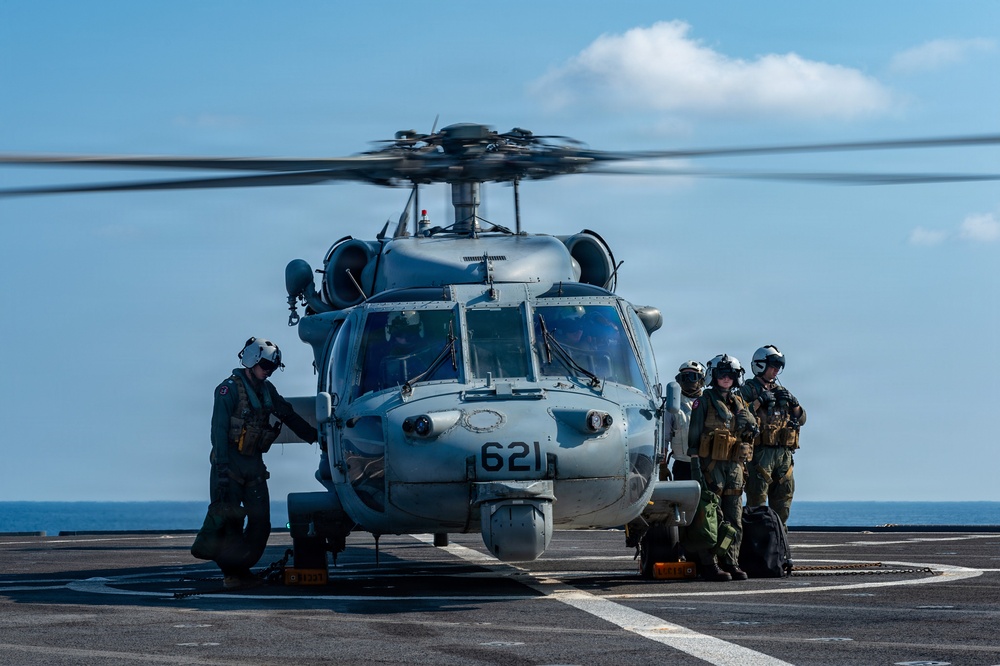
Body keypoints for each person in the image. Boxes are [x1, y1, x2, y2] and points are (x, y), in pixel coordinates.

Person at [197, 336, 318, 589]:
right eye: (266, 366)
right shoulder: (227, 389)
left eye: (272, 368)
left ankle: (242, 569)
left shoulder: (266, 391)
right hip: (228, 466)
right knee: (229, 524)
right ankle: (232, 574)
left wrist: (316, 437)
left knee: (261, 523)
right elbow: (218, 432)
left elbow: (287, 414)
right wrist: (221, 471)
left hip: (253, 465)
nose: (268, 372)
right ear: (252, 360)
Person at [687, 354, 756, 581]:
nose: (726, 379)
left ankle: (731, 561)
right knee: (710, 516)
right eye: (721, 375)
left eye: (730, 375)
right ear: (713, 376)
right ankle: (709, 563)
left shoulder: (740, 403)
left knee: (734, 516)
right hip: (711, 466)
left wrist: (747, 420)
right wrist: (696, 468)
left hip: (734, 466)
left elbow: (752, 430)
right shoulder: (704, 400)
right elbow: (694, 437)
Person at [739, 345, 806, 527]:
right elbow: (738, 415)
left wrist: (794, 403)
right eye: (773, 365)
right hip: (760, 454)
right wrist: (760, 401)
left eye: (778, 366)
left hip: (784, 454)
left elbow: (802, 418)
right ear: (760, 365)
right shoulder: (748, 390)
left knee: (783, 501)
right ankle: (757, 545)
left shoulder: (781, 391)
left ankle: (779, 543)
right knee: (757, 505)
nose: (776, 370)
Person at [666, 360, 707, 482]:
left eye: (692, 377)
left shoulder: (709, 402)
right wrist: (663, 466)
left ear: (701, 380)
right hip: (682, 465)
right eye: (684, 377)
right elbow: (664, 437)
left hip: (706, 464)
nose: (688, 380)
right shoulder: (672, 405)